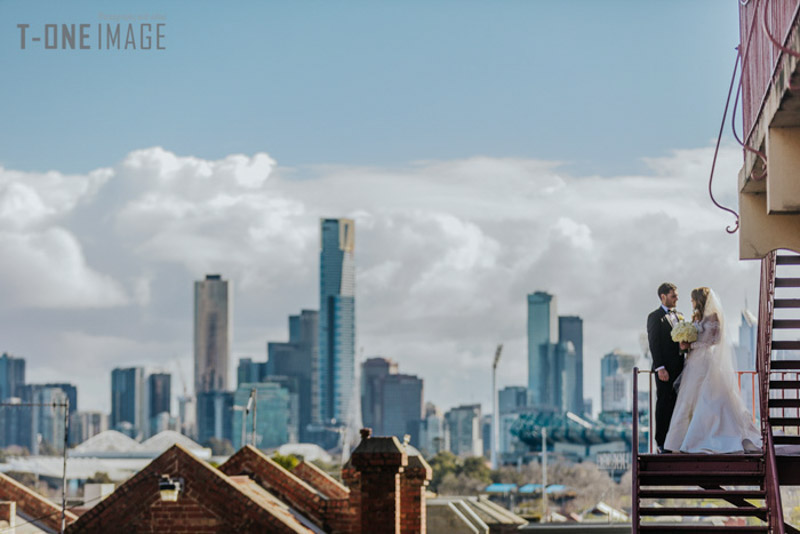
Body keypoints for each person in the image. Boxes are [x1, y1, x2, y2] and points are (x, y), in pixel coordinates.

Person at [663, 287, 761, 453]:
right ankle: (679, 441)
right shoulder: (697, 317)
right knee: (688, 401)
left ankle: (708, 436)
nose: (691, 302)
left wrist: (690, 344)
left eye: (693, 299)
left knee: (709, 397)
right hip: (694, 361)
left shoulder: (713, 317)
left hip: (706, 360)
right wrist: (685, 342)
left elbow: (713, 340)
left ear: (699, 300)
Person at [647, 282, 685, 453]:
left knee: (677, 405)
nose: (677, 298)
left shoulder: (679, 315)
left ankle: (675, 441)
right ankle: (661, 442)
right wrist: (660, 367)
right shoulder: (654, 317)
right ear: (663, 296)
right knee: (663, 404)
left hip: (681, 369)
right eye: (673, 295)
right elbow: (654, 344)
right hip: (665, 371)